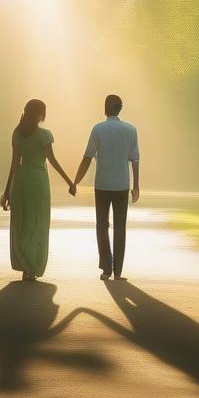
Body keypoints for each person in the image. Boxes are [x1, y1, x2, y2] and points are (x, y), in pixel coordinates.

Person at [0, 98, 76, 281]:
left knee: (22, 221)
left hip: (21, 180)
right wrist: (69, 182)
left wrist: (7, 191)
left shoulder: (17, 133)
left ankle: (25, 265)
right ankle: (33, 266)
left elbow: (14, 165)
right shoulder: (44, 135)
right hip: (38, 181)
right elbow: (52, 160)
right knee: (37, 222)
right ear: (41, 114)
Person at [72, 94, 140, 280]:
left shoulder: (98, 129)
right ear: (120, 109)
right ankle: (118, 269)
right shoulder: (130, 130)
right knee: (120, 227)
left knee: (102, 225)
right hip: (121, 184)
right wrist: (137, 186)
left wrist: (75, 181)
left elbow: (87, 157)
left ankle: (106, 267)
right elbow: (135, 159)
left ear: (105, 109)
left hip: (102, 184)